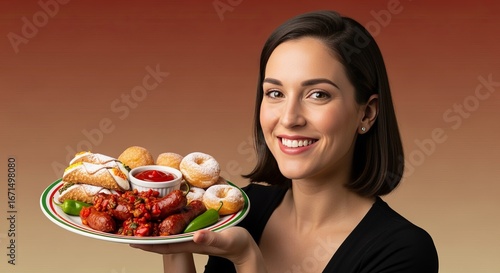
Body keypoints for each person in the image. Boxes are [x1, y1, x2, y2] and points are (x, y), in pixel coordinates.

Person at [131, 10, 439, 273]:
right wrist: (174, 239)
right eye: (275, 93)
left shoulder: (403, 251)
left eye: (318, 94)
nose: (289, 118)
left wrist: (247, 258)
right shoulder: (242, 210)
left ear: (367, 113)